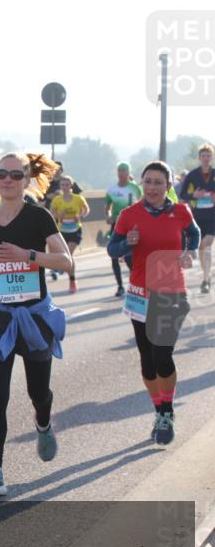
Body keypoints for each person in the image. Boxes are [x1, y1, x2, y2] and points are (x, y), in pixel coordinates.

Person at [0, 153, 72, 498]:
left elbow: (66, 261)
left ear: (26, 180)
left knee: (39, 393)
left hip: (34, 317)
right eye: (2, 173)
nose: (8, 179)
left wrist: (29, 255)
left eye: (15, 174)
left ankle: (43, 421)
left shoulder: (38, 216)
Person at [109, 161, 200, 444]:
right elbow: (112, 248)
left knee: (162, 355)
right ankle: (158, 408)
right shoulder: (128, 215)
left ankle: (167, 412)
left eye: (158, 182)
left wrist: (189, 252)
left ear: (168, 186)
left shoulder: (181, 211)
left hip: (172, 293)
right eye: (147, 181)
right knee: (147, 362)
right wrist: (128, 244)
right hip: (139, 294)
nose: (151, 187)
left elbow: (194, 234)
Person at [177, 143, 215, 293]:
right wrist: (194, 195)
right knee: (201, 248)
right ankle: (207, 275)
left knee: (207, 244)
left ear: (211, 157)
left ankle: (205, 280)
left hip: (213, 215)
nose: (206, 158)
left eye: (208, 156)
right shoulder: (193, 175)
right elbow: (182, 195)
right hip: (198, 215)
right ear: (199, 158)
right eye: (203, 156)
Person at [103, 162, 142, 297]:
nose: (122, 173)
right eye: (120, 170)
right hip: (117, 225)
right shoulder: (112, 189)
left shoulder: (135, 188)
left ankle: (136, 282)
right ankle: (120, 286)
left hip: (133, 226)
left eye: (124, 171)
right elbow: (107, 206)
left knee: (131, 257)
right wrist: (108, 215)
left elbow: (143, 204)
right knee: (114, 255)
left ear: (128, 172)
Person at [48, 175, 89, 292]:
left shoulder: (78, 198)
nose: (64, 187)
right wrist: (59, 216)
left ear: (71, 185)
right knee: (66, 255)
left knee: (69, 254)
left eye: (67, 185)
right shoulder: (57, 200)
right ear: (60, 186)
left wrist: (80, 216)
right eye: (62, 185)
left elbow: (86, 209)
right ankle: (69, 275)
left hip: (75, 229)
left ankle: (70, 277)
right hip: (62, 230)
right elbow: (51, 212)